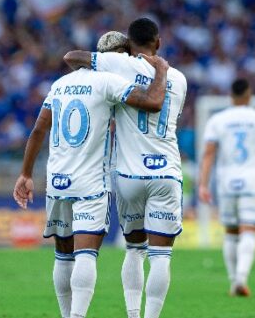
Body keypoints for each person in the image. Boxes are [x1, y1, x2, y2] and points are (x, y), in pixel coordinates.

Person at [13, 48, 170, 318]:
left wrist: (25, 174)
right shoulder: (108, 81)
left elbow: (39, 129)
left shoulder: (60, 84)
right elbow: (152, 102)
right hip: (90, 184)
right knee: (85, 254)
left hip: (58, 182)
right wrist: (162, 72)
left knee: (63, 256)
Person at [63, 18, 187, 318]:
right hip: (166, 172)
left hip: (129, 175)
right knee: (161, 256)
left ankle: (132, 313)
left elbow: (72, 58)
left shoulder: (118, 66)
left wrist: (111, 58)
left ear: (129, 44)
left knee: (134, 249)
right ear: (158, 42)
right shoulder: (180, 78)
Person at [198, 78, 255, 296]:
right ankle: (242, 278)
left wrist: (204, 184)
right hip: (252, 180)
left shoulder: (218, 120)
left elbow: (209, 154)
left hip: (226, 181)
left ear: (230, 96)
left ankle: (233, 281)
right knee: (249, 229)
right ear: (249, 95)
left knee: (231, 232)